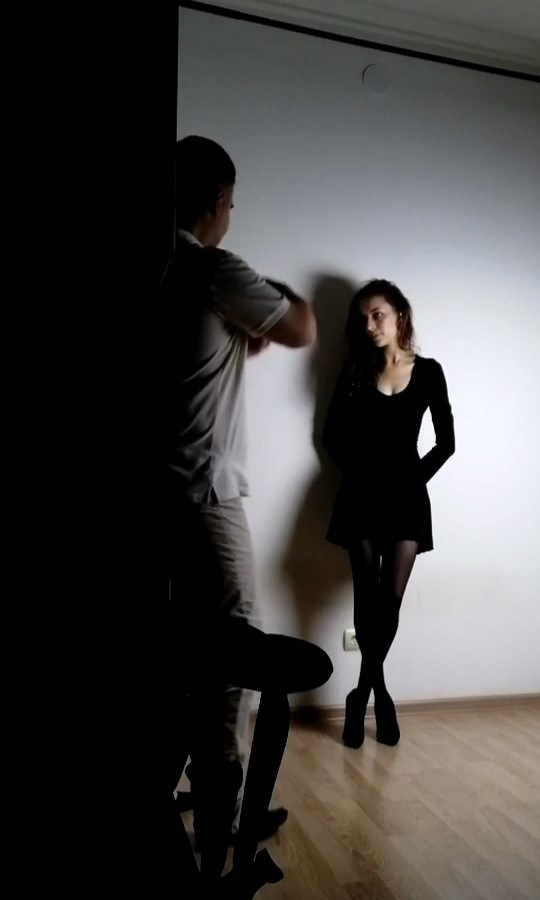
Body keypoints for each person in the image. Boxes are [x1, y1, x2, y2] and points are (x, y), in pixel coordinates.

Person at [162, 135, 317, 880]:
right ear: (220, 200)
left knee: (176, 654)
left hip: (158, 500)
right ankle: (219, 841)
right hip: (206, 496)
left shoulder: (167, 272)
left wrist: (236, 328)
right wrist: (267, 296)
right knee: (231, 659)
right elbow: (301, 326)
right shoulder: (212, 268)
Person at [322, 279, 455, 749]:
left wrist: (412, 479)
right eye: (362, 318)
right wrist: (360, 473)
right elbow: (331, 435)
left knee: (389, 602)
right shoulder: (356, 369)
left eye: (376, 314)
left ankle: (362, 692)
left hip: (406, 499)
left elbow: (446, 443)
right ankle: (377, 694)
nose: (369, 324)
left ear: (399, 314)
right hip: (360, 496)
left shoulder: (430, 371)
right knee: (366, 597)